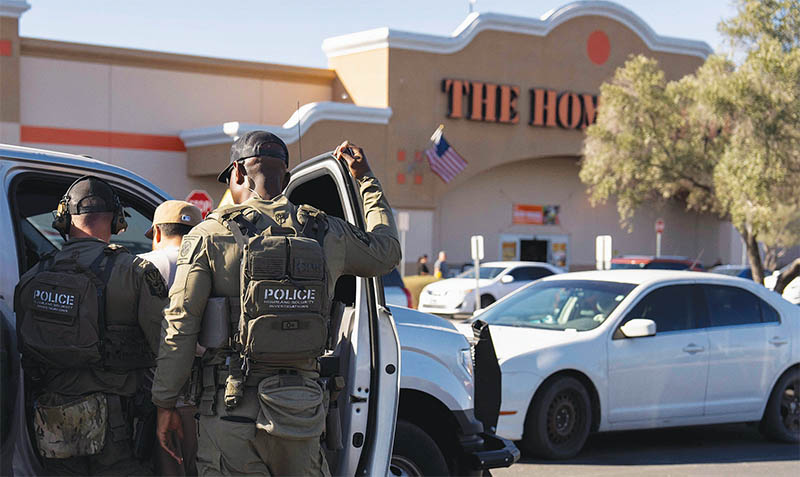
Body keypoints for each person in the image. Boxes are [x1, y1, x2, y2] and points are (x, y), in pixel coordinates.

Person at [151, 131, 401, 476]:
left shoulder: (209, 235)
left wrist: (165, 402)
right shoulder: (327, 232)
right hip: (301, 411)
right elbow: (387, 252)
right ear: (285, 177)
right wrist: (365, 180)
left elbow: (180, 323)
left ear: (238, 173)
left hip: (230, 410)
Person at [14, 176, 168, 476]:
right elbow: (167, 346)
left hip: (52, 420)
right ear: (118, 221)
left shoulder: (35, 274)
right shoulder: (133, 272)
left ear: (62, 219)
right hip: (117, 425)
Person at [138, 200, 202, 476]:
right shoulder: (211, 265)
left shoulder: (142, 264)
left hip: (158, 395)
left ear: (157, 233)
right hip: (206, 393)